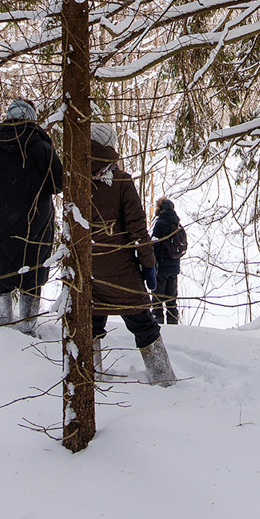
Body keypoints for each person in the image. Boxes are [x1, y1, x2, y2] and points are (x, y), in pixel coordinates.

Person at [90, 124, 176, 385]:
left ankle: (87, 374)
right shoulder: (121, 181)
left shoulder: (74, 178)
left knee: (90, 325)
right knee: (143, 324)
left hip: (89, 270)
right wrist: (149, 266)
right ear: (110, 146)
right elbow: (138, 231)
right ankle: (164, 378)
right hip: (122, 270)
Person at [0, 98, 62, 334]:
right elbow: (58, 184)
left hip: (0, 226)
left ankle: (2, 324)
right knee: (32, 278)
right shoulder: (42, 149)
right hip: (36, 226)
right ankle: (28, 328)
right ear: (32, 119)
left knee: (0, 275)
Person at [151, 197, 185, 325]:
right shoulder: (177, 223)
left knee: (157, 301)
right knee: (172, 301)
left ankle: (158, 325)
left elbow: (155, 245)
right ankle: (173, 325)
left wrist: (151, 263)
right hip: (174, 267)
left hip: (161, 268)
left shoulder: (161, 224)